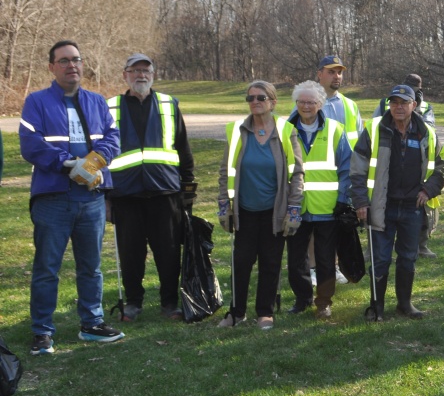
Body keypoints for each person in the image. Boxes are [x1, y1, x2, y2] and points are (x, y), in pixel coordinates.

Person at [20, 40, 125, 355]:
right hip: (52, 200)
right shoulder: (37, 102)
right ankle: (42, 332)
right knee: (47, 268)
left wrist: (91, 165)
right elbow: (31, 144)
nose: (72, 65)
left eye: (76, 59)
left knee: (91, 266)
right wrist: (69, 164)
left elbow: (113, 137)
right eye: (64, 60)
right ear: (51, 67)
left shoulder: (96, 102)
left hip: (91, 200)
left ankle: (92, 323)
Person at [106, 53, 196, 321]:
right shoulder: (109, 107)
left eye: (146, 70)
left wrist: (187, 190)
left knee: (168, 252)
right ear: (125, 75)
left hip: (165, 192)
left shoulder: (169, 104)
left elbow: (183, 147)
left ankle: (169, 303)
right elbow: (101, 152)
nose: (141, 75)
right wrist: (106, 196)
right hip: (126, 193)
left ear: (153, 75)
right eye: (135, 71)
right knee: (130, 253)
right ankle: (133, 302)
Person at [350, 84, 444, 321]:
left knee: (408, 258)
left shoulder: (427, 133)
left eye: (404, 103)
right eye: (394, 102)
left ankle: (404, 304)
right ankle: (377, 307)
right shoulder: (374, 129)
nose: (398, 107)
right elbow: (357, 170)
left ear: (414, 105)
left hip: (412, 208)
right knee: (380, 259)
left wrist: (428, 190)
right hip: (381, 206)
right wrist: (360, 201)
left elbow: (440, 169)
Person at [217, 81, 304, 330]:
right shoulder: (237, 131)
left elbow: (297, 173)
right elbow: (224, 171)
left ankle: (265, 312)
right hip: (244, 211)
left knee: (270, 262)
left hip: (274, 212)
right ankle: (237, 312)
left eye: (261, 97)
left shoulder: (286, 131)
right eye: (250, 98)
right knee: (241, 262)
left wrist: (294, 209)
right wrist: (223, 205)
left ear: (273, 102)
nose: (255, 102)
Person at [284, 81, 352, 319]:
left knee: (325, 259)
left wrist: (343, 199)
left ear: (320, 104)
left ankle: (324, 302)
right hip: (295, 206)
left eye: (311, 102)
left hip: (327, 207)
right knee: (296, 260)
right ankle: (302, 299)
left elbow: (346, 167)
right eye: (301, 102)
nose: (306, 106)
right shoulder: (284, 130)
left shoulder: (335, 130)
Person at [372, 73, 440, 259]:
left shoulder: (426, 107)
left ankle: (421, 246)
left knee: (409, 254)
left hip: (414, 191)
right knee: (380, 250)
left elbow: (429, 128)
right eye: (396, 102)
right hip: (385, 188)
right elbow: (377, 124)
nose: (399, 106)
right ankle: (374, 252)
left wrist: (414, 116)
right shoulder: (384, 104)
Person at [315, 55, 363, 148]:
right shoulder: (305, 104)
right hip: (318, 157)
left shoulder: (351, 105)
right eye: (331, 72)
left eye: (339, 72)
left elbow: (361, 140)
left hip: (348, 157)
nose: (337, 76)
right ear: (320, 74)